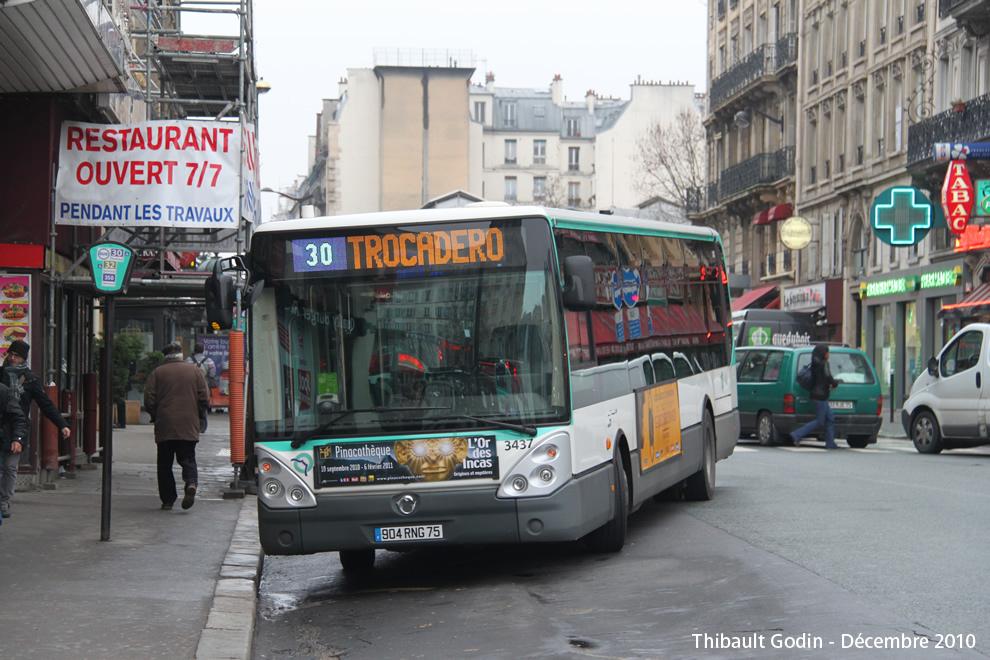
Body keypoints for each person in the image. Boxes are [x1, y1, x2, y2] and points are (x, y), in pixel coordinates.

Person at [0, 340, 71, 519]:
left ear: (24, 358)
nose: (12, 358)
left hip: (16, 427)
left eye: (16, 355)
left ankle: (5, 501)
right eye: (11, 354)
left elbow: (45, 403)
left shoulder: (30, 379)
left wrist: (61, 423)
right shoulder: (1, 374)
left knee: (9, 467)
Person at [144, 342, 209, 510]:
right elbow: (204, 398)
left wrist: (155, 415)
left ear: (165, 356)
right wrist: (198, 415)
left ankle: (168, 500)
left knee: (164, 463)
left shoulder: (158, 373)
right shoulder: (194, 371)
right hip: (188, 422)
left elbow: (149, 399)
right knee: (187, 457)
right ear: (181, 354)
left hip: (165, 423)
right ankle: (191, 483)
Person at [791, 344, 840, 449]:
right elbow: (827, 376)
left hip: (816, 394)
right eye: (827, 352)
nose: (829, 354)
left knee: (830, 418)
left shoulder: (815, 363)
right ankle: (797, 434)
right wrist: (835, 383)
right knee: (820, 420)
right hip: (820, 395)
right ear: (824, 354)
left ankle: (830, 443)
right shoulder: (824, 363)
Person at [0, 379, 29, 528]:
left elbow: (18, 417)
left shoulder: (3, 391)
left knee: (9, 467)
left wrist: (17, 438)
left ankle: (5, 501)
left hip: (8, 436)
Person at [186, 342, 218, 428]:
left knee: (191, 404)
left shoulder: (188, 360)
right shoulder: (208, 361)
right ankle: (203, 425)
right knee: (203, 404)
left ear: (194, 350)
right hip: (204, 386)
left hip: (191, 386)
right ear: (203, 350)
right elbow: (212, 374)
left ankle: (192, 424)